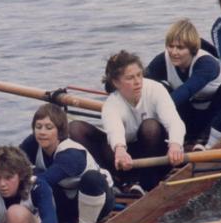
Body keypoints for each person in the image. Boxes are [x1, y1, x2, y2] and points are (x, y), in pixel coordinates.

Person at [67, 50, 186, 194]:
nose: (137, 82)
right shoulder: (112, 104)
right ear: (116, 82)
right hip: (127, 160)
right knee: (74, 128)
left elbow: (174, 121)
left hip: (157, 154)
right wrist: (120, 150)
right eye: (130, 78)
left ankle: (145, 183)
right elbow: (114, 130)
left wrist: (175, 145)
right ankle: (112, 180)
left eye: (139, 75)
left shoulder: (155, 89)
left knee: (150, 127)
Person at [18, 103, 114, 223]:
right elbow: (11, 161)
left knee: (91, 178)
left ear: (60, 131)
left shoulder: (72, 153)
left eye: (49, 127)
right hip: (68, 201)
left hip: (98, 200)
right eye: (38, 127)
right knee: (34, 172)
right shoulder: (34, 142)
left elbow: (47, 179)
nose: (42, 132)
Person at [144, 18, 221, 148]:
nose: (173, 52)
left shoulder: (207, 63)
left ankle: (210, 143)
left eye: (180, 48)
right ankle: (184, 140)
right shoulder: (163, 59)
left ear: (192, 49)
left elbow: (186, 90)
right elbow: (142, 81)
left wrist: (152, 111)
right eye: (170, 46)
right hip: (191, 117)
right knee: (159, 88)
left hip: (218, 116)